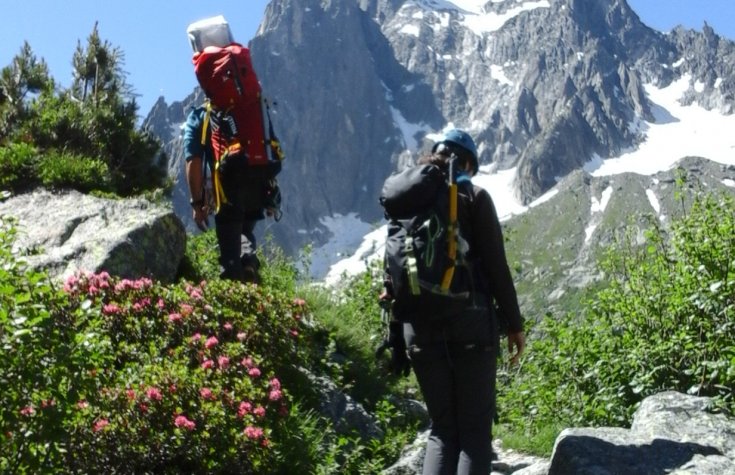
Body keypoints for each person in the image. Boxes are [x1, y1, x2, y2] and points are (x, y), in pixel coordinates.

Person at [385, 129, 525, 475]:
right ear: (465, 163)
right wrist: (515, 325)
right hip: (471, 324)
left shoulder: (406, 205)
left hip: (417, 329)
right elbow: (496, 267)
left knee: (443, 431)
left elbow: (393, 275)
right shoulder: (474, 197)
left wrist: (396, 340)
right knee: (475, 436)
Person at [183, 103, 274, 284]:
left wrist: (197, 202)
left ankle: (235, 286)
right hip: (258, 183)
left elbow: (193, 161)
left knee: (229, 250)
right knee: (244, 230)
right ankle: (248, 262)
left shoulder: (200, 115)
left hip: (229, 185)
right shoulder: (251, 107)